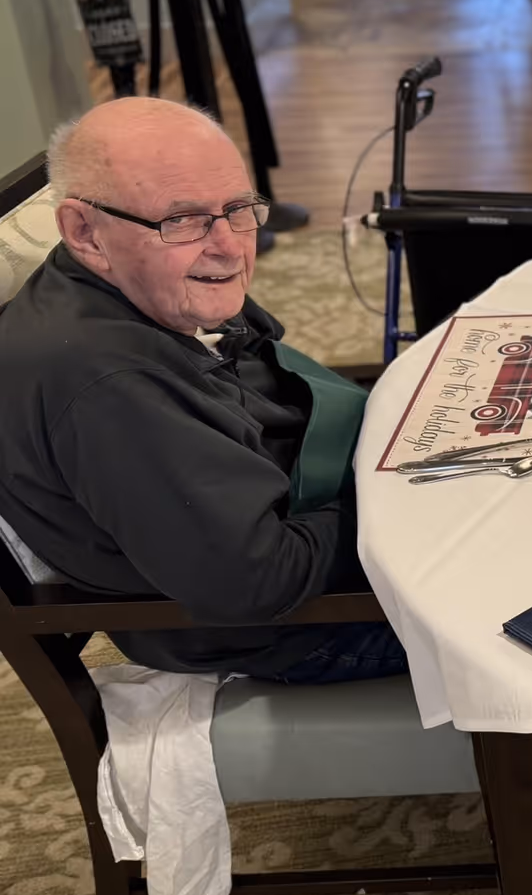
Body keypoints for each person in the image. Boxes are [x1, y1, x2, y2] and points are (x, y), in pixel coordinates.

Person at [0, 99, 405, 683]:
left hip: (297, 498)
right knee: (530, 591)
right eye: (182, 219)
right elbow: (256, 583)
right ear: (83, 231)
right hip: (298, 628)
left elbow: (267, 363)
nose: (230, 247)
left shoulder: (140, 286)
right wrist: (398, 504)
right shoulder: (110, 388)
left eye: (239, 209)